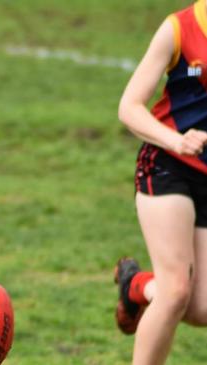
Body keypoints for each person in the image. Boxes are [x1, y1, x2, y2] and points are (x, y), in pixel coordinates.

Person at [115, 0, 207, 363]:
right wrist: (176, 142)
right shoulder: (179, 28)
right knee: (174, 293)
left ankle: (135, 286)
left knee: (199, 308)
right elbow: (129, 106)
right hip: (168, 164)